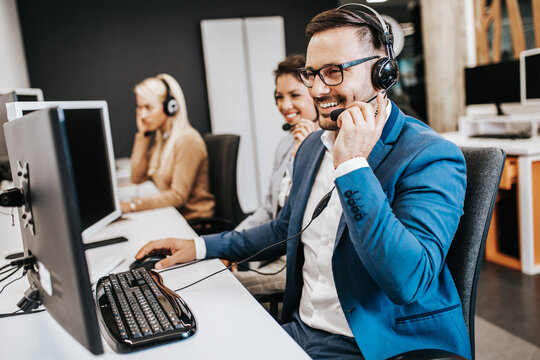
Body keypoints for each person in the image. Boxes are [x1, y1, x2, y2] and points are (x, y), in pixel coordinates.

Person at [135, 6, 470, 360]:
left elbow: (408, 282)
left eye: (333, 72)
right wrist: (201, 247)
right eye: (311, 74)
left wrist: (353, 167)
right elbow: (283, 229)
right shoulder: (313, 145)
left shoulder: (430, 156)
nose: (318, 89)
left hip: (378, 345)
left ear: (382, 73)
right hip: (302, 328)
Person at [233, 54, 319, 297]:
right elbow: (267, 209)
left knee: (232, 290)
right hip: (273, 252)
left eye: (294, 95)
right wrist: (231, 244)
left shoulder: (328, 147)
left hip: (301, 260)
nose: (284, 105)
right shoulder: (285, 144)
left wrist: (302, 153)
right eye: (279, 97)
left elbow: (300, 215)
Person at [121, 74, 215, 221]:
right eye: (139, 108)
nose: (143, 115)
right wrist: (143, 135)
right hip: (174, 216)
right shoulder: (162, 140)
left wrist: (133, 205)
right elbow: (137, 177)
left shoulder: (187, 139)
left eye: (148, 107)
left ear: (170, 107)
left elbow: (178, 196)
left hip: (194, 222)